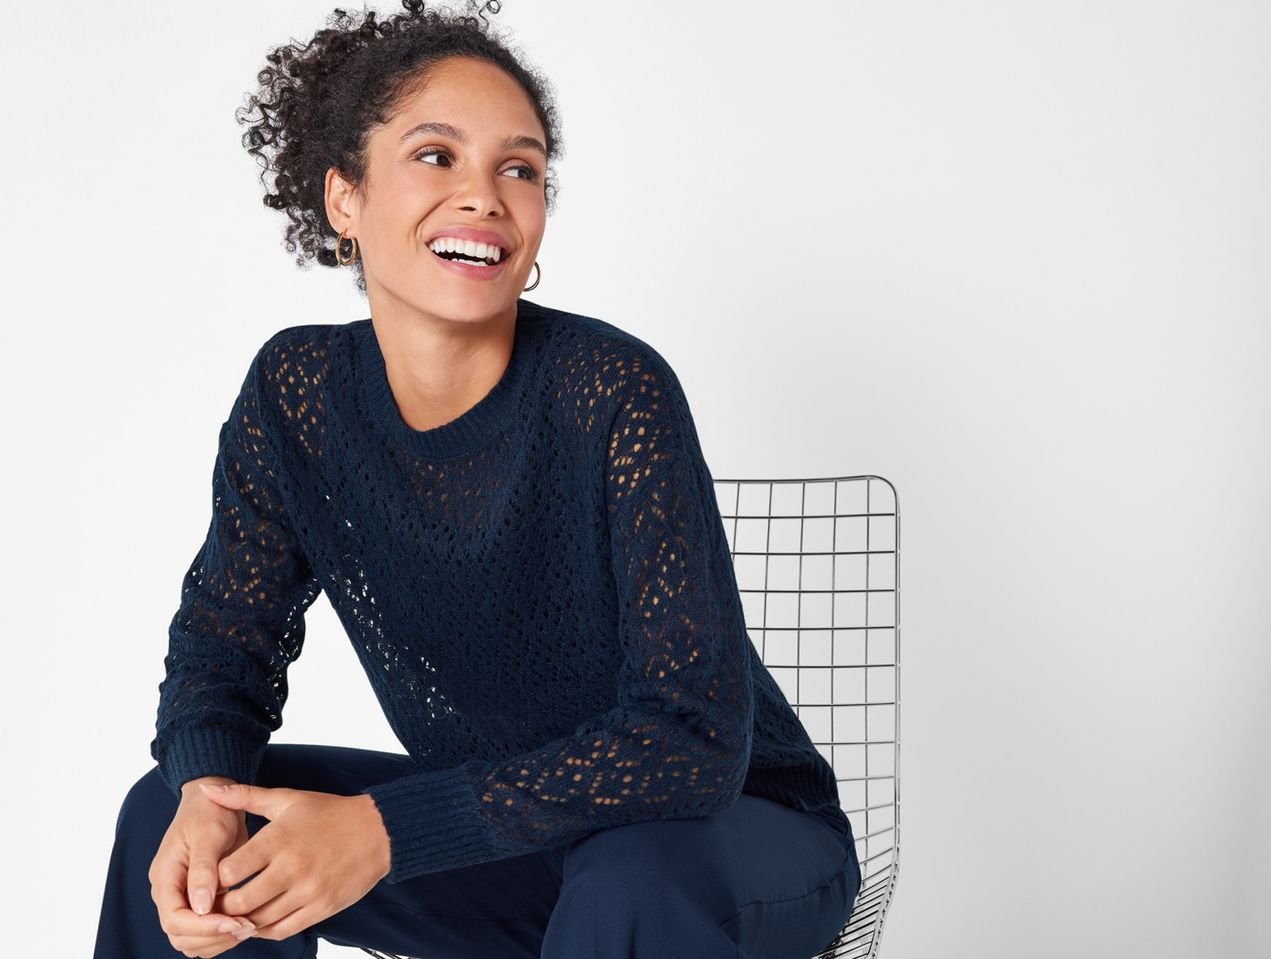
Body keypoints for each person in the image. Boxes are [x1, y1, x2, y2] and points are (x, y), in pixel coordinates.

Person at [92, 2, 861, 956]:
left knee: (630, 874)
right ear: (343, 198)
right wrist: (207, 794)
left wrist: (389, 831)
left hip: (731, 836)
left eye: (519, 168)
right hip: (515, 841)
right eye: (436, 155)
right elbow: (221, 647)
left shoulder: (611, 389)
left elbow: (693, 740)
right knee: (178, 822)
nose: (484, 196)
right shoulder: (298, 396)